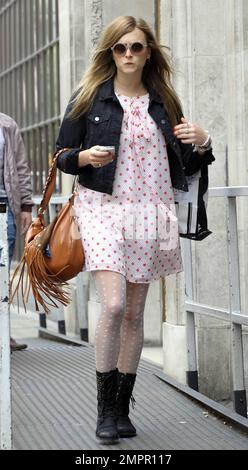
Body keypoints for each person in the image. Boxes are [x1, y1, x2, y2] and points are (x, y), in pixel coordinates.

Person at [56, 16, 215, 445]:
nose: (128, 55)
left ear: (149, 53)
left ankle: (124, 410)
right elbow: (61, 156)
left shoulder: (163, 99)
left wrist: (203, 141)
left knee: (133, 314)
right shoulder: (89, 97)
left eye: (136, 47)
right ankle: (104, 409)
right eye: (120, 48)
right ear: (110, 53)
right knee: (111, 306)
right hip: (102, 209)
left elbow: (187, 162)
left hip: (150, 212)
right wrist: (85, 157)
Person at [0, 113, 32, 351]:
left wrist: (26, 206)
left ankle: (3, 332)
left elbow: (21, 167)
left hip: (5, 208)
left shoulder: (7, 124)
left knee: (2, 273)